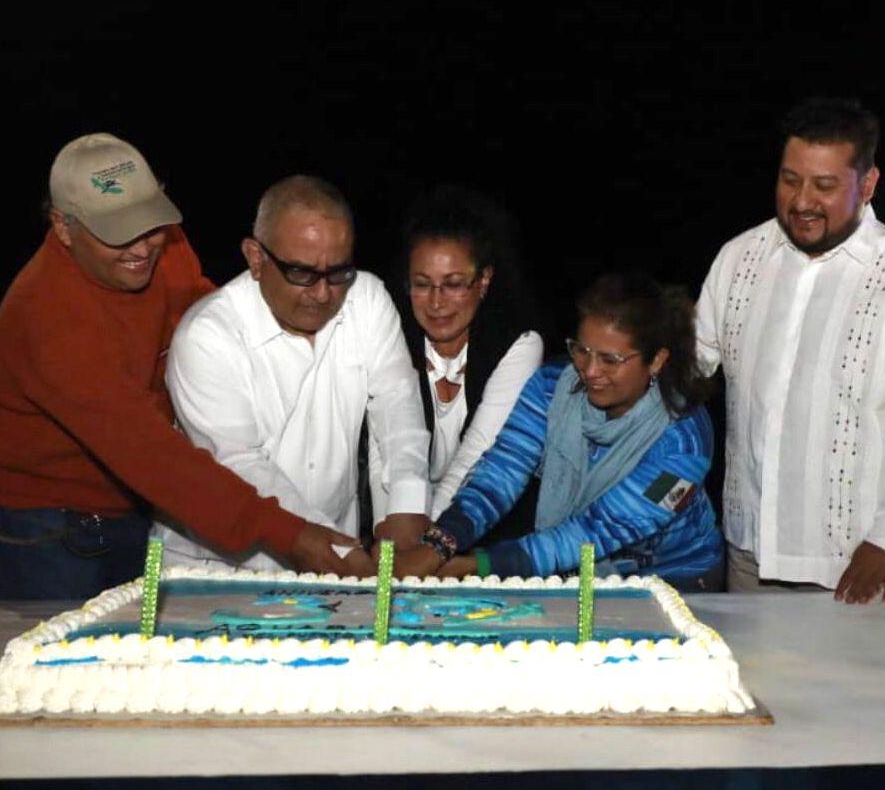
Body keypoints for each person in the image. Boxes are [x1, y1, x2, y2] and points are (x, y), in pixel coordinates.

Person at [0, 134, 357, 599]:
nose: (143, 247)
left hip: (137, 507)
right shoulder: (44, 318)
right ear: (63, 227)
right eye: (116, 232)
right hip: (49, 529)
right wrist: (290, 533)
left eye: (149, 222)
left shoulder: (161, 245)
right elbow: (150, 454)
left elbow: (205, 322)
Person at [696, 97, 885, 602]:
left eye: (824, 186)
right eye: (789, 179)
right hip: (747, 557)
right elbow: (690, 367)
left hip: (859, 567)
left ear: (866, 185)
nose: (802, 201)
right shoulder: (737, 261)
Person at [154, 175, 430, 572]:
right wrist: (334, 548)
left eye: (338, 273)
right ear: (255, 258)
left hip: (335, 559)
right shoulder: (207, 335)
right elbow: (240, 463)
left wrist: (405, 505)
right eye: (301, 273)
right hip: (217, 567)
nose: (322, 294)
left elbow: (397, 406)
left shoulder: (366, 299)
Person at [394, 272, 725, 592]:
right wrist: (438, 545)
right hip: (571, 577)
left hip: (677, 581)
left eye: (611, 359)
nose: (590, 371)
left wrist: (474, 567)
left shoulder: (684, 441)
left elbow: (596, 531)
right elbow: (500, 473)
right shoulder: (551, 389)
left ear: (656, 361)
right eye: (582, 350)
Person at [398, 186, 543, 527]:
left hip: (480, 530)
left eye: (453, 284)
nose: (436, 302)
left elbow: (478, 452)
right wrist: (399, 529)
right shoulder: (390, 338)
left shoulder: (519, 344)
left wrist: (427, 539)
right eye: (422, 284)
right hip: (398, 523)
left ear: (484, 281)